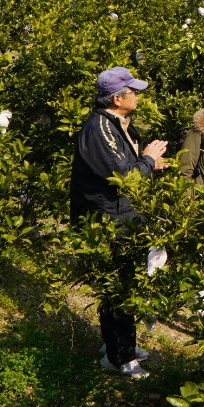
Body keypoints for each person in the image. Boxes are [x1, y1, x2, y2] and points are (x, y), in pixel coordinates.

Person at [69, 66, 168, 379]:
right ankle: (118, 357)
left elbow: (126, 168)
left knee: (126, 282)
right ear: (117, 97)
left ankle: (120, 344)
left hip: (121, 215)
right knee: (118, 287)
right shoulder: (98, 128)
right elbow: (124, 177)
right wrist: (148, 159)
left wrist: (149, 166)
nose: (137, 96)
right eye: (133, 91)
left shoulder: (115, 123)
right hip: (107, 220)